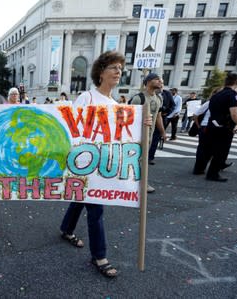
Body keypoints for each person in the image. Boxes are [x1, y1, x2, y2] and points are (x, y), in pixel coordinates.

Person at [60, 51, 129, 279]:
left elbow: (123, 133)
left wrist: (142, 122)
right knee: (96, 208)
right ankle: (100, 256)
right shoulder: (87, 98)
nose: (118, 71)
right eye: (113, 67)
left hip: (103, 164)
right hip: (85, 164)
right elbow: (72, 128)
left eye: (120, 68)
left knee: (81, 200)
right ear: (101, 72)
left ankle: (66, 229)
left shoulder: (115, 104)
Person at [130, 73, 166, 193]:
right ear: (148, 81)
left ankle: (137, 182)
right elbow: (129, 118)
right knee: (138, 159)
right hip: (137, 135)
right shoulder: (139, 98)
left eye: (161, 80)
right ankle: (141, 184)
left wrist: (163, 132)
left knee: (142, 159)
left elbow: (159, 116)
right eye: (157, 79)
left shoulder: (159, 98)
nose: (160, 81)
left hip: (150, 135)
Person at [204, 73, 237, 182]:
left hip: (213, 125)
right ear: (236, 82)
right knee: (221, 151)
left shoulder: (217, 95)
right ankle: (213, 174)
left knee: (213, 149)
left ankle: (210, 172)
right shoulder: (233, 95)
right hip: (224, 127)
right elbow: (234, 114)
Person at [192, 87, 223, 175]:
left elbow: (196, 115)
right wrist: (199, 125)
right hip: (206, 127)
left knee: (206, 149)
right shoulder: (209, 102)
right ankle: (199, 168)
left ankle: (201, 167)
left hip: (210, 127)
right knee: (204, 149)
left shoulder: (213, 102)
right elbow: (195, 114)